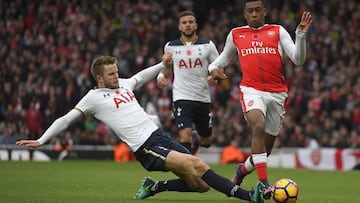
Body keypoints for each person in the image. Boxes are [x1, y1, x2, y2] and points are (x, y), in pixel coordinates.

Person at [16, 54, 260, 202]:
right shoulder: (93, 98)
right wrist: (42, 140)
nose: (116, 75)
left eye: (116, 71)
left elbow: (141, 77)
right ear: (99, 78)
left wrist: (162, 64)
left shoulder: (123, 84)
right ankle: (247, 196)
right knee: (198, 165)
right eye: (111, 73)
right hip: (146, 148)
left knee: (201, 185)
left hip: (160, 137)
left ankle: (154, 187)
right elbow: (66, 119)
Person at [208, 0, 313, 201]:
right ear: (245, 14)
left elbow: (298, 60)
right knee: (257, 126)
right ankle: (265, 185)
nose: (254, 14)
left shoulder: (278, 31)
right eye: (250, 11)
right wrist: (213, 70)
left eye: (258, 10)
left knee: (265, 150)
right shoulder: (236, 34)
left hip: (277, 94)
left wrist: (300, 34)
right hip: (251, 90)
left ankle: (241, 171)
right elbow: (220, 60)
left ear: (265, 12)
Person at [157, 10, 219, 154]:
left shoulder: (208, 45)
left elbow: (217, 66)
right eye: (184, 23)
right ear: (179, 27)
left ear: (196, 25)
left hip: (202, 97)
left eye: (190, 22)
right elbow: (167, 67)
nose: (188, 25)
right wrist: (161, 75)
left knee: (206, 140)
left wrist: (214, 76)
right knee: (185, 135)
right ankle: (188, 172)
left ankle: (197, 142)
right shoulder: (170, 47)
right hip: (181, 97)